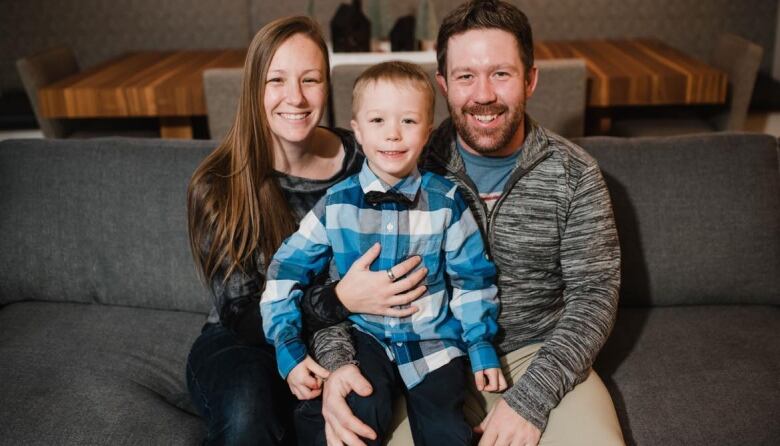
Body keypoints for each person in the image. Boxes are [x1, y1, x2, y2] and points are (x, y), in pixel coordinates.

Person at [302, 1, 626, 445]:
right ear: (443, 85)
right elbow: (333, 282)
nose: (483, 94)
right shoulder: (398, 159)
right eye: (465, 76)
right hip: (418, 358)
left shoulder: (574, 175)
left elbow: (594, 298)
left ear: (530, 79)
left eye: (501, 73)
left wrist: (531, 399)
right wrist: (340, 363)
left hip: (538, 357)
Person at [184, 16, 427, 445]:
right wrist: (338, 299)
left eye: (310, 79)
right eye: (276, 79)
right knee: (247, 413)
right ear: (254, 88)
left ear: (327, 86)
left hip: (349, 335)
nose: (295, 97)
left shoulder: (367, 157)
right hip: (245, 339)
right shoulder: (219, 183)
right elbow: (242, 314)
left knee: (352, 414)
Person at [261, 61, 506, 446]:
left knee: (446, 431)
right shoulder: (336, 204)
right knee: (354, 423)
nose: (392, 134)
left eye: (408, 121)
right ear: (356, 130)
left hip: (434, 343)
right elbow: (283, 273)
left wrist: (480, 345)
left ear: (427, 130)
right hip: (367, 340)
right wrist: (288, 348)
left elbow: (472, 279)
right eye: (377, 121)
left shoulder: (447, 202)